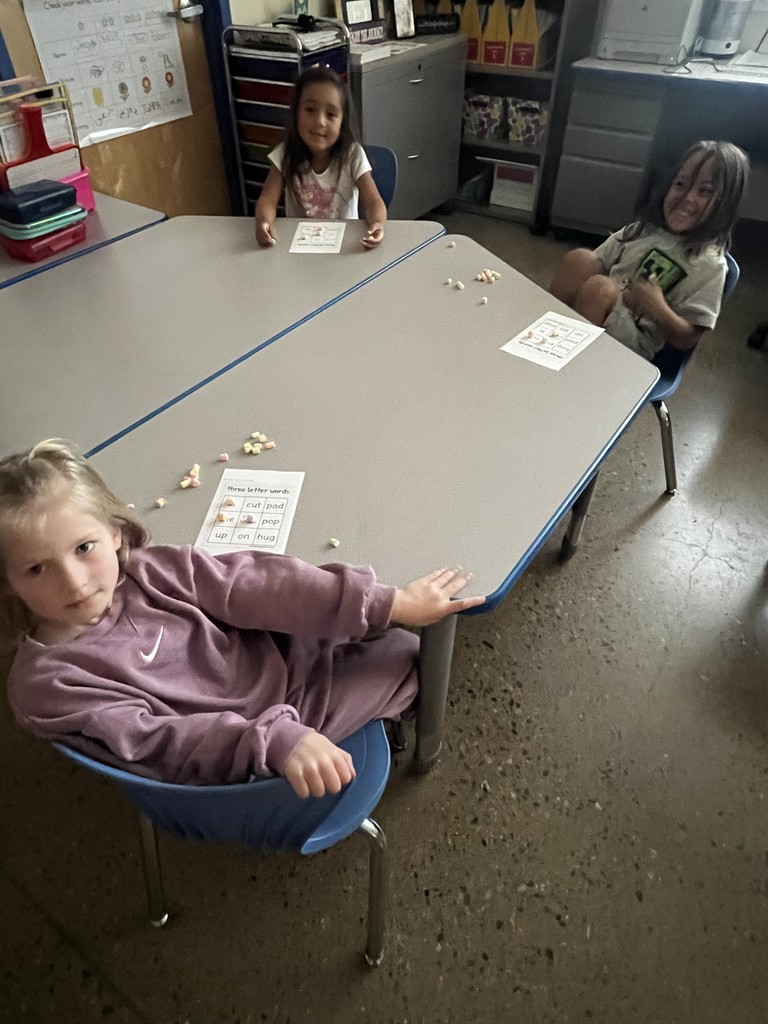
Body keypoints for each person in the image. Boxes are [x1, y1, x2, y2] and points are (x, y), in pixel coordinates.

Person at [0, 440, 483, 797]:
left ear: (116, 534)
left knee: (368, 620)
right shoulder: (49, 683)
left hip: (275, 669)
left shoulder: (151, 570)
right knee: (410, 656)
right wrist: (274, 739)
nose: (72, 581)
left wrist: (385, 602)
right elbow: (158, 744)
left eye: (84, 548)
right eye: (36, 568)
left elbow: (252, 584)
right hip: (243, 750)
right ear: (8, 581)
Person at [549, 140, 749, 361]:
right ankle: (543, 334)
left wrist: (657, 307)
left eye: (704, 191)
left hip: (635, 343)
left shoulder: (710, 266)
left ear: (725, 204)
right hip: (602, 308)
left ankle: (570, 366)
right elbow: (595, 264)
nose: (688, 197)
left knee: (599, 289)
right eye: (681, 184)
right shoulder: (644, 230)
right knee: (580, 259)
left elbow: (688, 338)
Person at [254, 66, 387, 250]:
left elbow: (373, 201)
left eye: (331, 114)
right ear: (296, 112)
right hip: (298, 248)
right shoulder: (286, 153)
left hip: (344, 247)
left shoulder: (352, 155)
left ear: (342, 121)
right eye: (310, 110)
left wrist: (377, 224)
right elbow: (267, 200)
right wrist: (263, 223)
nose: (320, 122)